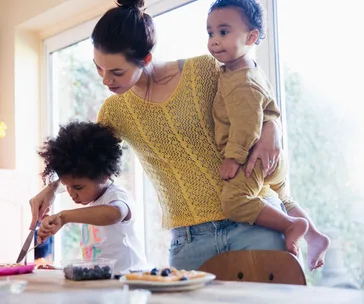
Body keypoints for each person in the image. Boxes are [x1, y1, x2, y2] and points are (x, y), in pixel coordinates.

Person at [31, 0, 288, 271]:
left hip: (254, 221)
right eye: (99, 68)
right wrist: (52, 188)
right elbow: (85, 161)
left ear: (146, 59)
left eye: (117, 71)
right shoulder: (115, 110)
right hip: (189, 242)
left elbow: (254, 95)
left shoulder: (204, 71)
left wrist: (273, 127)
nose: (106, 80)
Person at [207, 0, 330, 270]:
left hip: (253, 156)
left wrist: (234, 158)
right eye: (211, 33)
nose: (215, 40)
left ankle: (291, 225)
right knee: (284, 199)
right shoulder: (246, 68)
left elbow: (247, 125)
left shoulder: (242, 81)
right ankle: (315, 236)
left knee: (235, 201)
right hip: (274, 158)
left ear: (251, 37)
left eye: (224, 32)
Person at [37, 121, 149, 274]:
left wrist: (64, 217)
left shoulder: (116, 196)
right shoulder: (92, 204)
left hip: (129, 279)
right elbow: (98, 254)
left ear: (103, 177)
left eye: (78, 187)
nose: (71, 192)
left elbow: (114, 213)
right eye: (67, 186)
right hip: (105, 282)